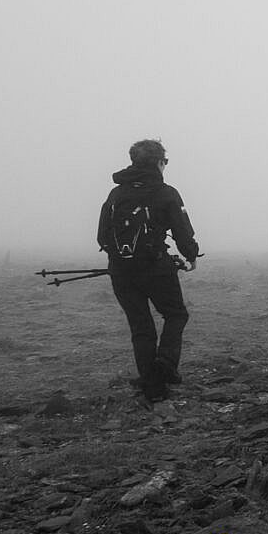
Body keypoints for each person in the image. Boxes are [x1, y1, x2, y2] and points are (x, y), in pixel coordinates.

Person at [97, 139, 200, 401]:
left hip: (120, 271)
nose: (165, 166)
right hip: (156, 268)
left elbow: (101, 236)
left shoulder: (116, 195)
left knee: (140, 327)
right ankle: (165, 364)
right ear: (158, 162)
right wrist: (190, 255)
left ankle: (151, 386)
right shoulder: (166, 193)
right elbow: (182, 231)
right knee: (176, 314)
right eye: (164, 161)